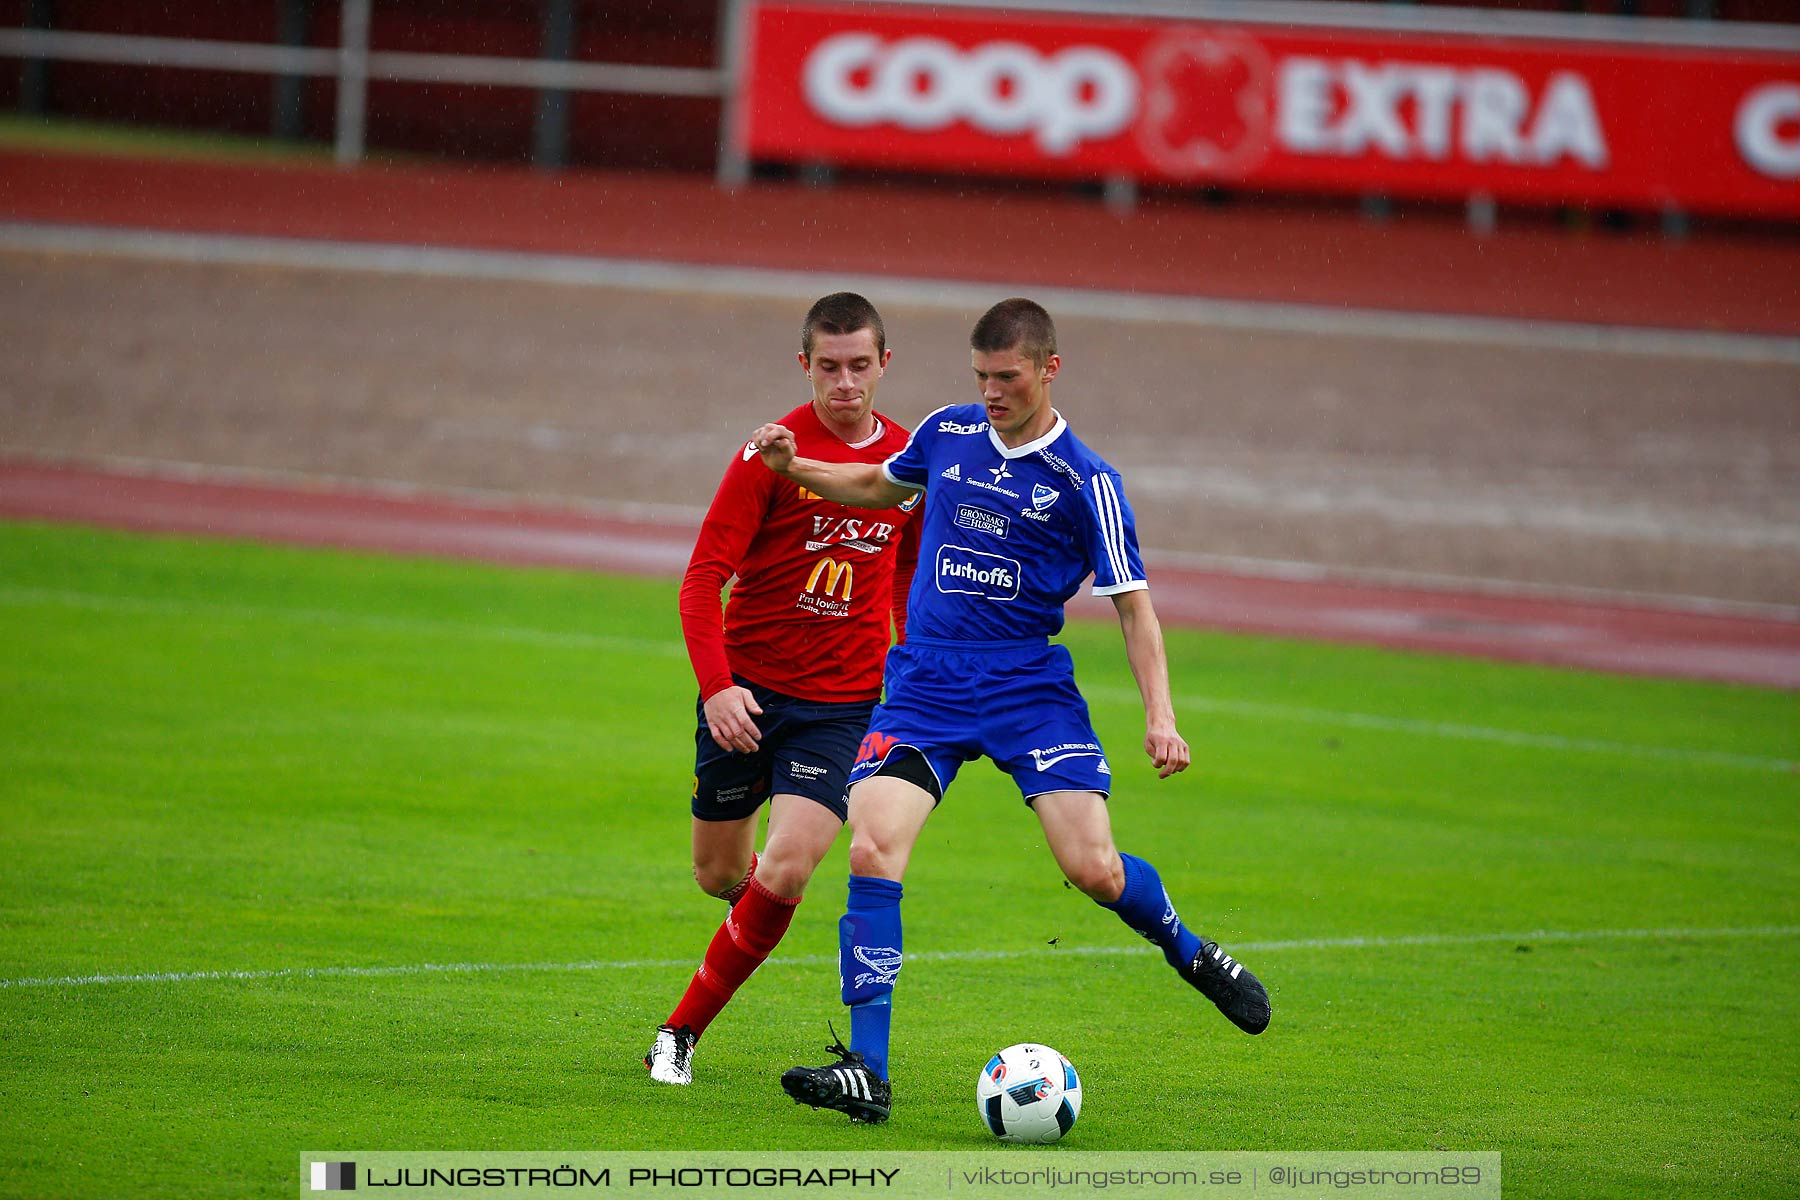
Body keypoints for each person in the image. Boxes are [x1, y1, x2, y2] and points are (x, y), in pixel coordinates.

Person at [750, 298, 1270, 1125]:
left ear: (1048, 371)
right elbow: (880, 487)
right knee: (874, 849)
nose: (990, 393)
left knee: (1092, 870)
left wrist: (1160, 716)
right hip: (926, 685)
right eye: (981, 377)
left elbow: (1136, 608)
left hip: (1029, 692)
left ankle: (1191, 950)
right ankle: (868, 1073)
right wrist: (795, 469)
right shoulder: (949, 433)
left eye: (1007, 378)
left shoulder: (1087, 481)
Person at [644, 293, 920, 1085]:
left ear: (883, 365)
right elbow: (703, 580)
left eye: (859, 365)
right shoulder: (767, 455)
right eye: (828, 366)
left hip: (842, 706)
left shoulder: (905, 464)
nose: (844, 382)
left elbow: (904, 578)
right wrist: (718, 688)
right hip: (748, 698)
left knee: (791, 866)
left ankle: (678, 1034)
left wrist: (907, 676)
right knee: (720, 877)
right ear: (805, 365)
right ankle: (755, 904)